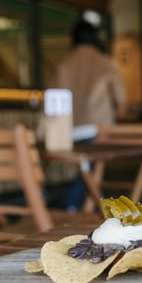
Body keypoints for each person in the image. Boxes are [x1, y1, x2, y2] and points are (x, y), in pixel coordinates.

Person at [50, 19, 127, 211]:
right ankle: (72, 204)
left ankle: (77, 206)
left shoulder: (64, 64)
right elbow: (121, 97)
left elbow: (52, 97)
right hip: (98, 129)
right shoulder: (105, 63)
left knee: (86, 168)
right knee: (90, 168)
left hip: (69, 129)